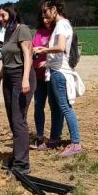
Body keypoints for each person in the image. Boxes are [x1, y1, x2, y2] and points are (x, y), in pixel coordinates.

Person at [33, 0, 85, 157]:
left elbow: (61, 47)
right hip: (54, 71)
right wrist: (47, 61)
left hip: (59, 73)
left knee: (65, 107)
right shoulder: (63, 24)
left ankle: (75, 143)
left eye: (45, 12)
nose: (44, 16)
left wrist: (43, 50)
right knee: (55, 107)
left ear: (54, 9)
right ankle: (55, 138)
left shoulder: (61, 25)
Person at [0, 3, 35, 174]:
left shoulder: (22, 29)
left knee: (18, 119)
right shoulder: (7, 32)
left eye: (3, 15)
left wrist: (25, 79)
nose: (0, 19)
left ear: (12, 14)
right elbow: (6, 61)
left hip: (21, 77)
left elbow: (28, 55)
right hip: (9, 78)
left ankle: (22, 164)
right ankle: (17, 156)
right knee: (12, 119)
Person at [31, 10, 56, 150]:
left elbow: (60, 53)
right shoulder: (39, 32)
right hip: (37, 76)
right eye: (43, 18)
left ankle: (54, 136)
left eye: (47, 17)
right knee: (38, 105)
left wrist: (47, 63)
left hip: (51, 75)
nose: (45, 20)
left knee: (54, 106)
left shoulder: (57, 32)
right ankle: (40, 136)